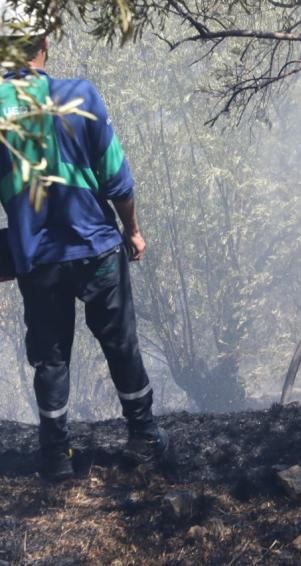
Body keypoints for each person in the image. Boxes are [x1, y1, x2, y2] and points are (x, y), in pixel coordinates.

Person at [0, 6, 169, 480]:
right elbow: (116, 178)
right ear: (44, 45)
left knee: (50, 357)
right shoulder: (81, 95)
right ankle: (144, 438)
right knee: (121, 344)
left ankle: (56, 457)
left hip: (38, 260)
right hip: (96, 250)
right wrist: (132, 230)